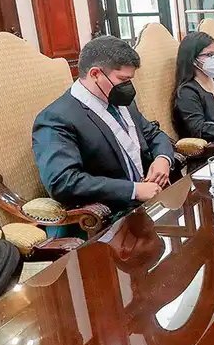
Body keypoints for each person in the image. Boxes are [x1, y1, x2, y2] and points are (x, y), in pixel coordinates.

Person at [33, 35, 174, 216]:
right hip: (111, 215)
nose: (128, 87)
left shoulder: (122, 101)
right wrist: (133, 190)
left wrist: (163, 158)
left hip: (152, 202)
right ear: (95, 74)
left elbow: (154, 134)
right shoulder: (56, 118)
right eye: (123, 80)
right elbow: (63, 181)